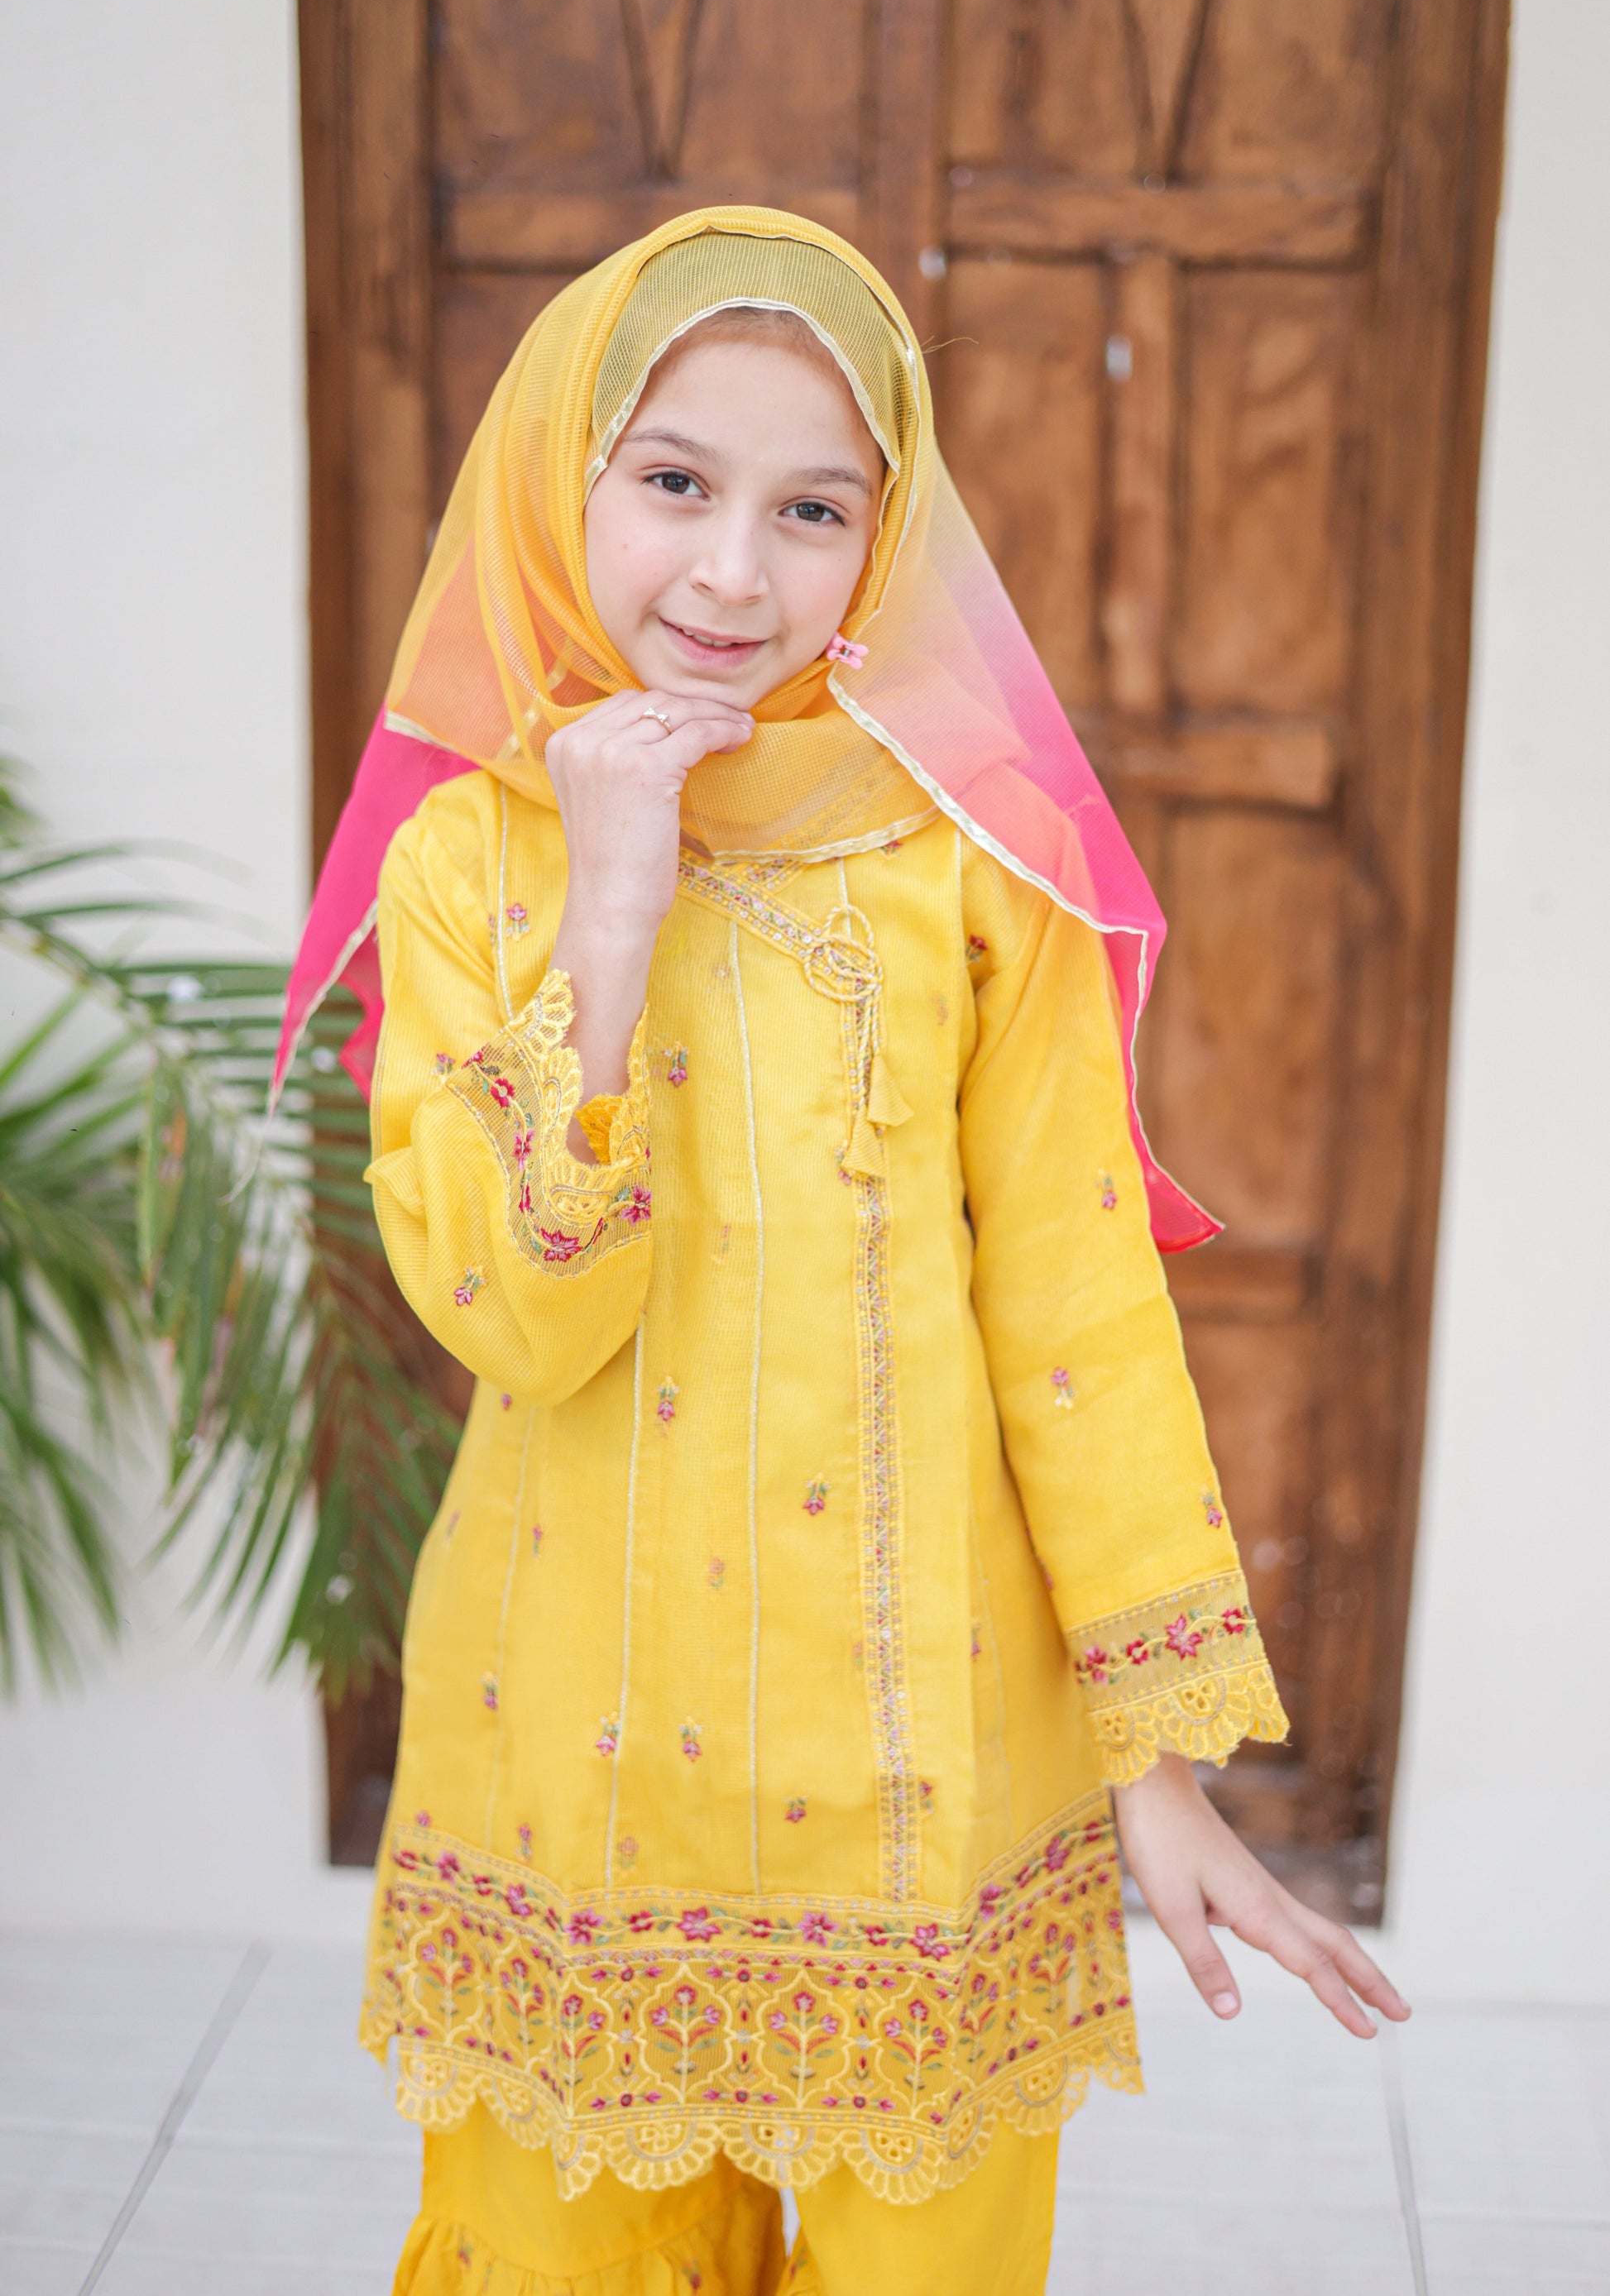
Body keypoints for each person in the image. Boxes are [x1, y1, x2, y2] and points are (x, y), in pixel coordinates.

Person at [281, 209, 1407, 2296]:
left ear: (889, 540)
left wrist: (1148, 1770)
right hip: (574, 1778)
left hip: (934, 1780)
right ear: (561, 471)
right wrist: (609, 904)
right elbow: (515, 1316)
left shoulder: (978, 867)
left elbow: (1073, 1313)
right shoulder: (470, 864)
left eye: (812, 507)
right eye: (673, 480)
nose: (731, 572)